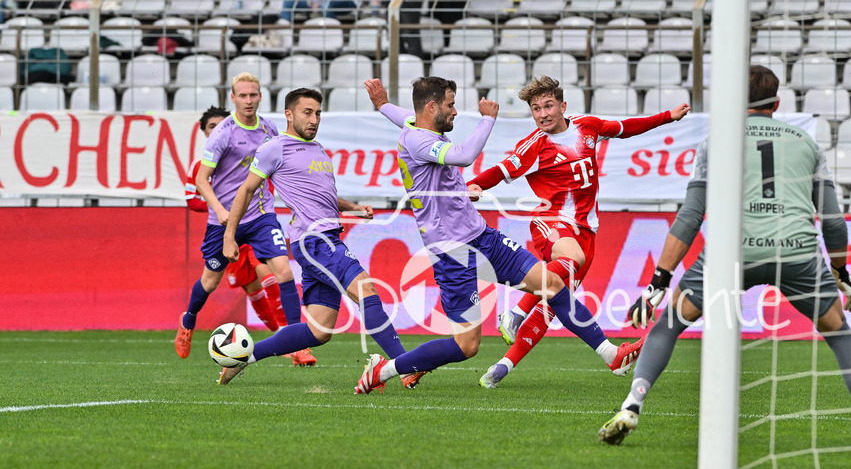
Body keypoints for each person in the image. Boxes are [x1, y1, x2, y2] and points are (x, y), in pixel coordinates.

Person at [597, 65, 851, 453]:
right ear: (777, 103)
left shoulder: (719, 142)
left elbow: (691, 216)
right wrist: (841, 271)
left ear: (736, 102)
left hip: (734, 251)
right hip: (796, 251)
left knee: (667, 325)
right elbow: (832, 220)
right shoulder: (806, 143)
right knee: (840, 334)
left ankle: (633, 404)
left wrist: (658, 281)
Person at [353, 77, 646, 394]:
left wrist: (383, 104)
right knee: (467, 346)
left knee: (552, 284)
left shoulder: (417, 125)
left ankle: (611, 355)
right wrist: (488, 118)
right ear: (432, 107)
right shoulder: (418, 142)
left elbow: (405, 116)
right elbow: (464, 155)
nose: (455, 112)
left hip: (482, 237)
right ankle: (383, 371)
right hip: (452, 252)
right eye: (451, 105)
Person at [466, 76, 691, 389]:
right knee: (570, 260)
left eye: (548, 105)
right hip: (552, 222)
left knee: (553, 304)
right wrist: (471, 186)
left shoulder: (588, 126)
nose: (542, 113)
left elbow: (627, 128)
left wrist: (668, 116)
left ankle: (506, 367)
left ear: (562, 106)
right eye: (535, 108)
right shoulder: (535, 145)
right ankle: (514, 312)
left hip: (587, 229)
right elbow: (501, 170)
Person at [218, 87, 424, 387]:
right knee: (366, 290)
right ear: (289, 114)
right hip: (315, 241)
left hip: (327, 240)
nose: (314, 119)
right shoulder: (275, 148)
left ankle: (243, 358)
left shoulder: (318, 149)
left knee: (318, 332)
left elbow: (323, 196)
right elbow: (246, 190)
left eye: (318, 114)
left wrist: (353, 207)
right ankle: (405, 367)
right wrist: (229, 235)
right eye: (307, 113)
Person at [175, 73, 316, 367]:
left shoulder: (269, 128)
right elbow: (202, 179)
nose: (248, 101)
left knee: (285, 273)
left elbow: (279, 168)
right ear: (233, 98)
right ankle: (188, 321)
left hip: (261, 215)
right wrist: (221, 210)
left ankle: (296, 342)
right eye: (243, 96)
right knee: (209, 282)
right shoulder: (223, 133)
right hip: (224, 221)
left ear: (260, 96)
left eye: (253, 95)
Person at [186, 106, 291, 344]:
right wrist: (220, 209)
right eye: (211, 127)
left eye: (219, 125)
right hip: (224, 228)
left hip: (257, 219)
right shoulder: (200, 165)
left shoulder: (252, 150)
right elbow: (192, 198)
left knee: (274, 271)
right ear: (205, 132)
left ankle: (288, 339)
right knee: (220, 283)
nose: (217, 130)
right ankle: (189, 319)